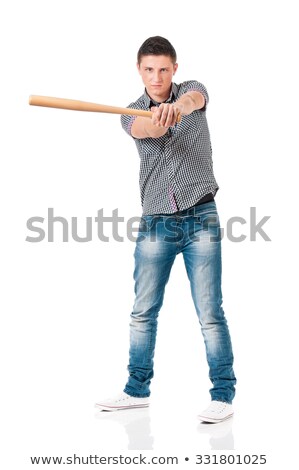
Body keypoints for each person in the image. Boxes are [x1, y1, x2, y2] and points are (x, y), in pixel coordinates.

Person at [96, 36, 236, 422]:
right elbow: (147, 132)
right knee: (143, 311)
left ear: (174, 68)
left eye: (163, 69)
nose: (156, 76)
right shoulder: (130, 112)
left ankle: (223, 395)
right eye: (148, 69)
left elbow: (194, 102)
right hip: (157, 220)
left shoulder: (193, 91)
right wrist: (157, 121)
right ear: (139, 70)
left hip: (200, 216)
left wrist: (177, 108)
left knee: (210, 311)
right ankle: (136, 390)